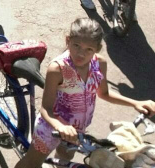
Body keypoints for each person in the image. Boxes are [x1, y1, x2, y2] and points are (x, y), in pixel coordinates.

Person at [15, 18, 155, 168]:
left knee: (64, 158)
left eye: (89, 49)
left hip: (77, 130)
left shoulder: (99, 64)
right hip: (50, 128)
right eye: (76, 46)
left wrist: (136, 103)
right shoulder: (58, 69)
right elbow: (46, 108)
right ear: (67, 40)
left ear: (98, 48)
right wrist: (60, 126)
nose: (81, 54)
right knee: (31, 163)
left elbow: (104, 93)